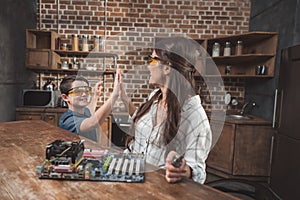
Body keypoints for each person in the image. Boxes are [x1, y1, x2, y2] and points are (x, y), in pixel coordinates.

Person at [121, 37, 212, 184]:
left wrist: (184, 171)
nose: (148, 66)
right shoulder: (154, 98)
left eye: (152, 60)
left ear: (167, 67)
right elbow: (141, 132)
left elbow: (198, 170)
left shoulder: (195, 116)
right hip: (133, 181)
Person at [59, 74, 119, 142]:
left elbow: (90, 109)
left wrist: (96, 95)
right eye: (78, 91)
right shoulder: (68, 120)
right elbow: (93, 123)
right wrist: (114, 95)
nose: (84, 94)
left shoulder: (85, 111)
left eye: (86, 90)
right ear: (65, 97)